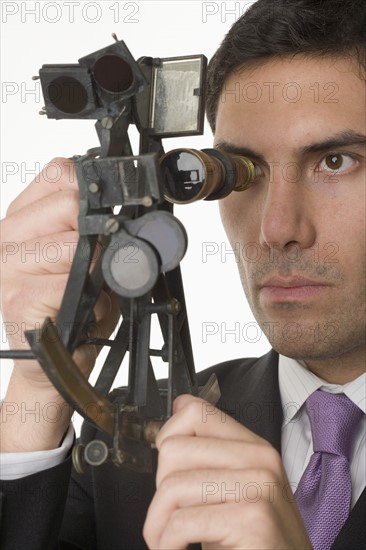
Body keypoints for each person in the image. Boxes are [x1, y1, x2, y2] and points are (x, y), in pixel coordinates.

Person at [0, 0, 365, 548]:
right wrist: (38, 391)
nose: (277, 228)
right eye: (245, 173)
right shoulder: (124, 448)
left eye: (335, 162)